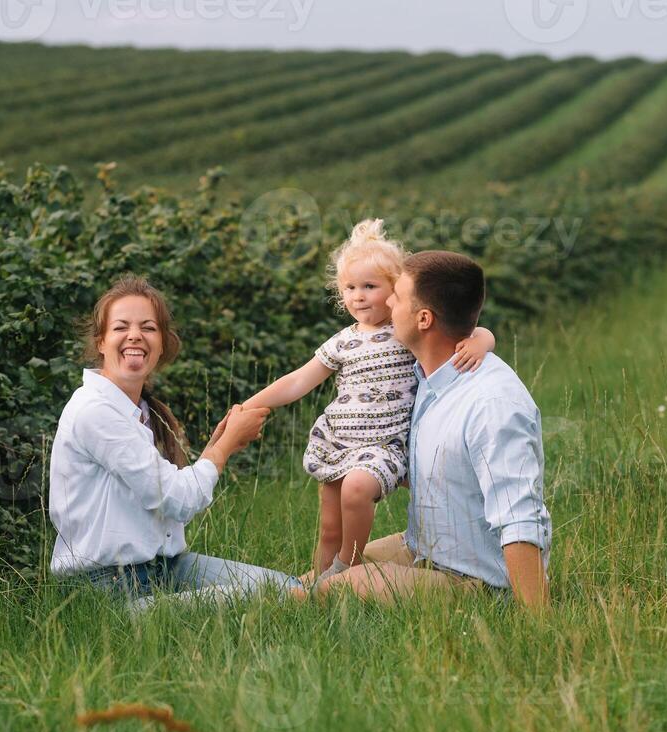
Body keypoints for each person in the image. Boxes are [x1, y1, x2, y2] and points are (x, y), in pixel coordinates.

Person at [242, 219, 495, 584]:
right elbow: (299, 380)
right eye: (349, 287)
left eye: (370, 286)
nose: (358, 296)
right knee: (329, 528)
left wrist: (481, 342)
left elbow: (474, 329)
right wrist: (252, 404)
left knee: (357, 489)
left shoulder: (406, 330)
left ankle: (350, 565)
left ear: (395, 290)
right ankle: (318, 586)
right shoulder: (342, 341)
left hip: (383, 444)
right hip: (340, 440)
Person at [320, 250, 551, 608]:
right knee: (322, 575)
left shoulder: (491, 404)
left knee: (335, 588)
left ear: (424, 319)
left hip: (477, 581)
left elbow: (519, 518)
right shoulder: (424, 377)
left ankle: (211, 603)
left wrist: (540, 625)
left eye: (396, 298)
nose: (387, 305)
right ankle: (212, 597)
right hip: (423, 549)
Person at [48, 275, 298, 599]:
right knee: (283, 597)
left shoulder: (139, 409)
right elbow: (179, 499)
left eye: (148, 328)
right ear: (100, 341)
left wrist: (220, 443)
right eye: (121, 327)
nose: (135, 336)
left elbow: (165, 490)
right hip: (111, 587)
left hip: (166, 568)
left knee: (289, 589)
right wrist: (223, 449)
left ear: (162, 342)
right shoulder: (95, 411)